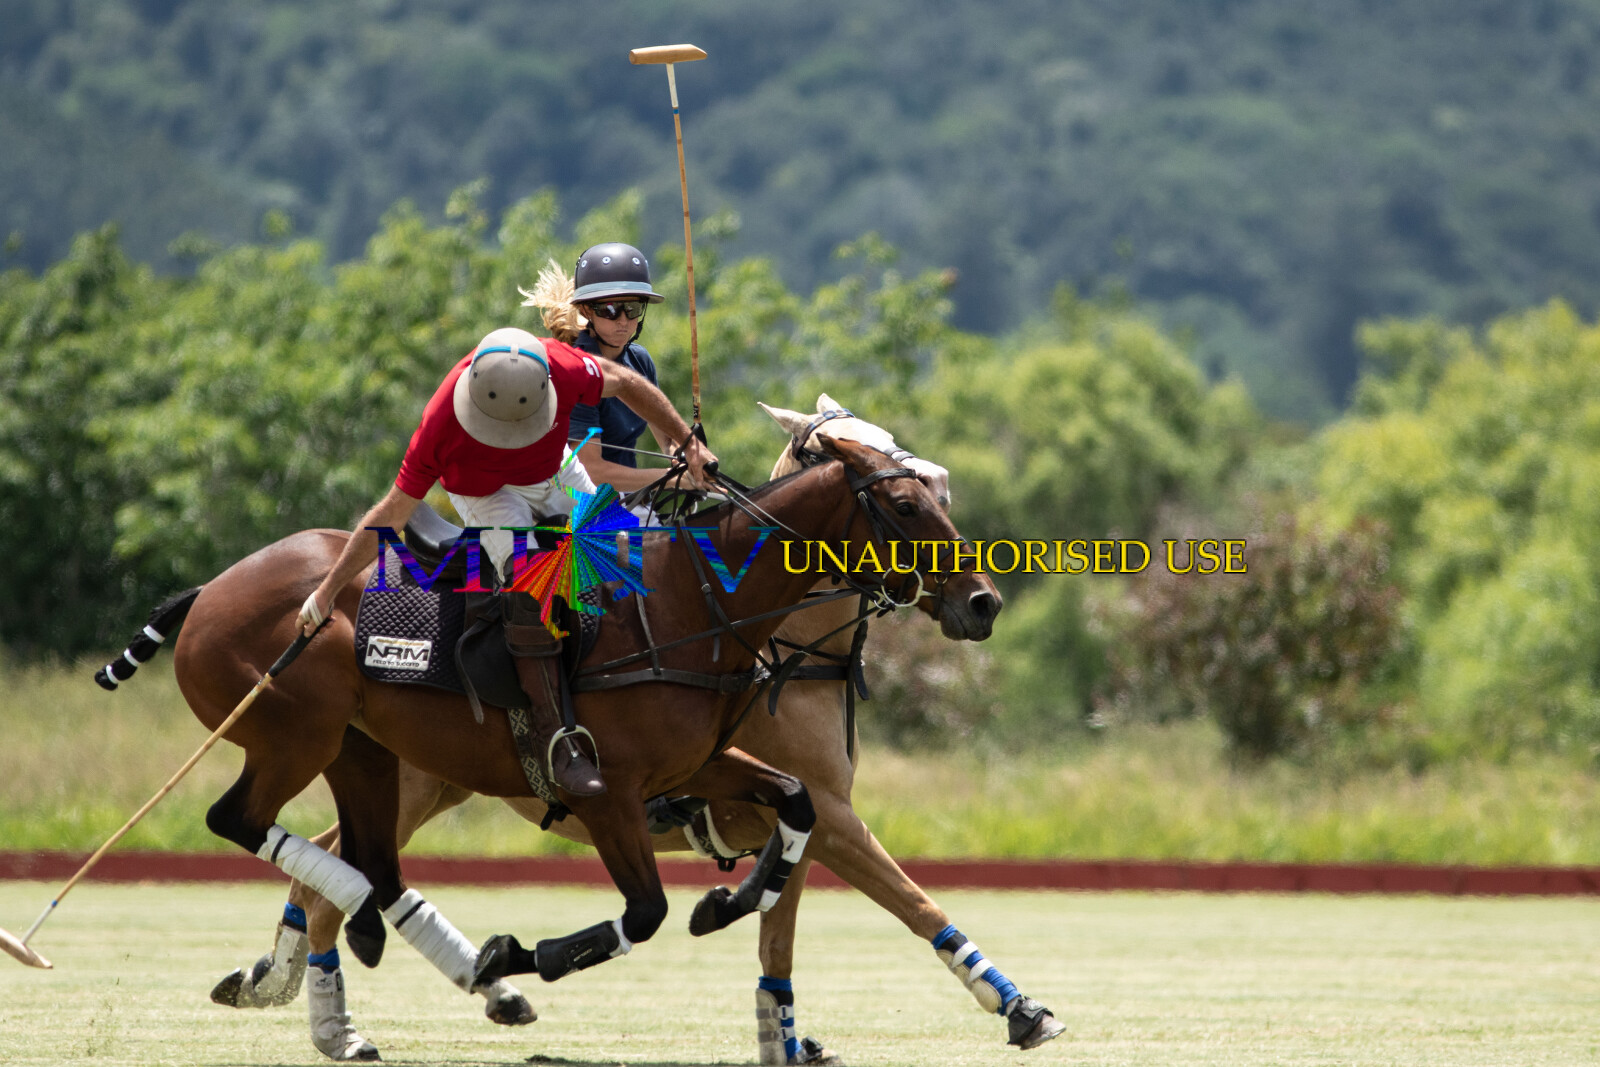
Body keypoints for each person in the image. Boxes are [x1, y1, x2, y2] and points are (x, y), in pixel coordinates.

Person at [296, 325, 716, 797]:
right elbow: (390, 515)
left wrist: (687, 443)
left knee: (622, 550)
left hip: (553, 466)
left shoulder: (559, 365)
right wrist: (327, 591)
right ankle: (557, 737)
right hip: (487, 493)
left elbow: (628, 383)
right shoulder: (440, 425)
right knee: (533, 584)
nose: (511, 439)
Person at [520, 243, 680, 495]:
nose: (623, 320)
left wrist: (686, 456)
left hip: (629, 499)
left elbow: (667, 439)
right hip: (577, 502)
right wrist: (673, 479)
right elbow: (591, 471)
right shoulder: (577, 371)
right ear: (586, 310)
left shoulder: (640, 360)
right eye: (610, 310)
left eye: (633, 309)